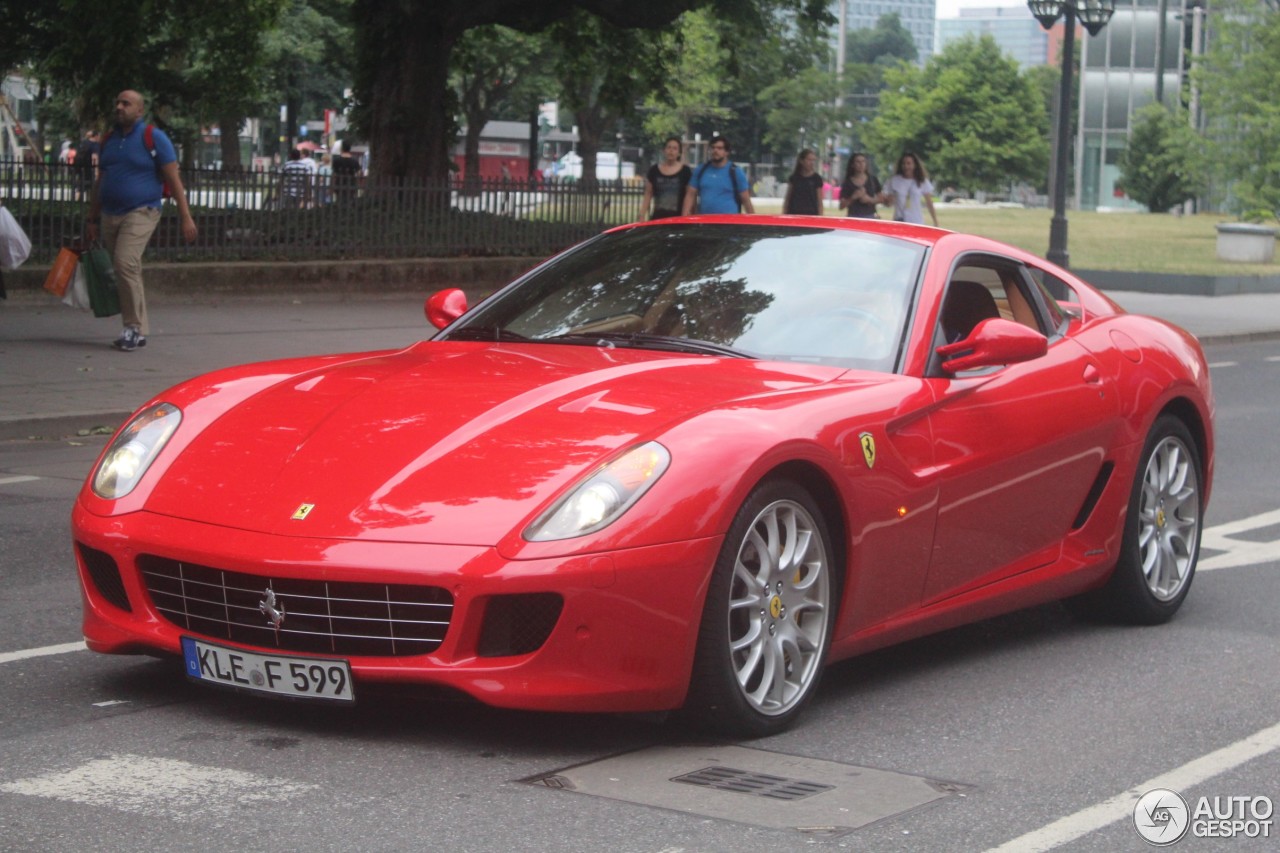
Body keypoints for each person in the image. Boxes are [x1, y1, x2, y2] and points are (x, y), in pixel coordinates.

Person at [86, 90, 197, 352]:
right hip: (110, 213)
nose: (119, 107)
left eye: (126, 103)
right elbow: (101, 181)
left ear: (139, 110)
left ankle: (133, 328)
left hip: (142, 210)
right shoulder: (109, 140)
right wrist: (91, 218)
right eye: (118, 102)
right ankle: (137, 328)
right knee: (127, 268)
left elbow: (174, 180)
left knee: (125, 262)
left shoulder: (153, 138)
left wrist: (186, 217)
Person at [683, 135, 754, 216]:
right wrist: (684, 218)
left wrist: (754, 222)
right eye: (713, 148)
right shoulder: (700, 170)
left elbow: (746, 200)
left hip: (729, 223)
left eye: (719, 148)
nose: (715, 150)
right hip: (705, 222)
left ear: (726, 152)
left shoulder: (736, 172)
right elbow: (690, 195)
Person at [639, 136, 692, 220]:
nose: (671, 151)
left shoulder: (685, 171)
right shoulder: (654, 170)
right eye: (669, 147)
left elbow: (689, 195)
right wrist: (642, 214)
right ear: (664, 151)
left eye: (675, 148)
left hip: (677, 219)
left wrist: (685, 216)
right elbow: (648, 193)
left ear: (679, 153)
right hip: (657, 218)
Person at [883, 152, 938, 226]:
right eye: (903, 163)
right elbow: (888, 203)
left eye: (909, 163)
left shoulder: (922, 181)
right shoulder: (894, 181)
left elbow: (929, 203)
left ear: (914, 165)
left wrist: (935, 221)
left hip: (916, 221)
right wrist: (887, 200)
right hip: (899, 220)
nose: (906, 166)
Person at [838, 152, 883, 219]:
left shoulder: (873, 180)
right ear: (853, 165)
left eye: (863, 161)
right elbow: (841, 206)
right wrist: (853, 197)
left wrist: (869, 199)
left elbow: (881, 199)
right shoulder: (847, 182)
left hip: (870, 217)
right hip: (853, 218)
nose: (861, 164)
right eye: (858, 162)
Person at [782, 148, 823, 216]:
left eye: (813, 160)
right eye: (809, 160)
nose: (811, 163)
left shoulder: (816, 178)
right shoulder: (794, 178)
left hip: (811, 215)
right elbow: (788, 198)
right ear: (801, 161)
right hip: (794, 214)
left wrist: (820, 216)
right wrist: (785, 213)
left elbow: (819, 201)